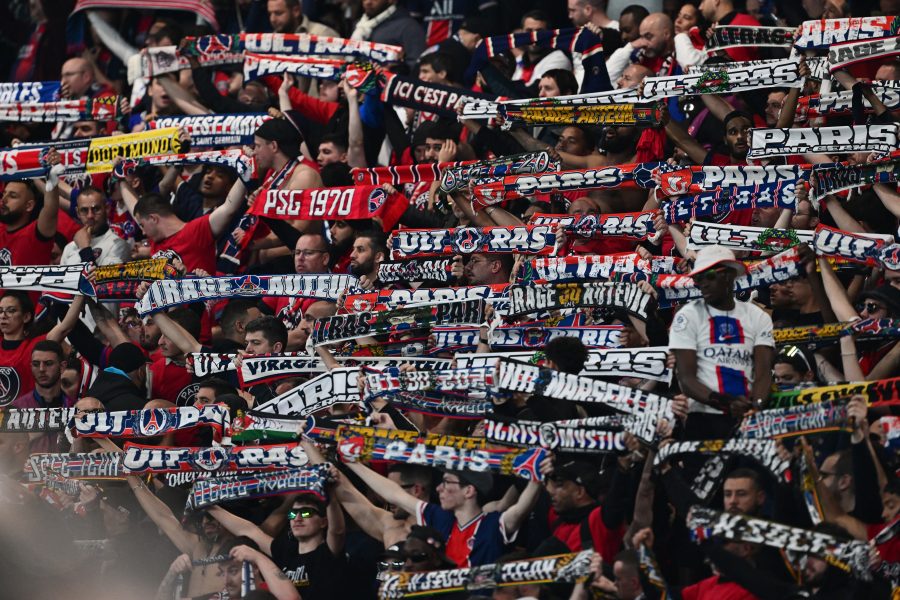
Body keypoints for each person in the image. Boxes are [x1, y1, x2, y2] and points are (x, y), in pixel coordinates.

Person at [668, 246, 774, 438]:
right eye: (698, 279)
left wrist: (756, 407)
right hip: (703, 418)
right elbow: (686, 378)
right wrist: (724, 402)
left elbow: (764, 374)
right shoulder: (687, 316)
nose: (703, 284)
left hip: (749, 417)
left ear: (728, 275)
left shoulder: (758, 317)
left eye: (708, 276)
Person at [60, 185, 130, 266]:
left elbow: (102, 278)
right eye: (84, 210)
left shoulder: (119, 246)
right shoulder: (69, 248)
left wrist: (85, 249)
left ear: (107, 208)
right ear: (78, 213)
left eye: (96, 209)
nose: (90, 216)